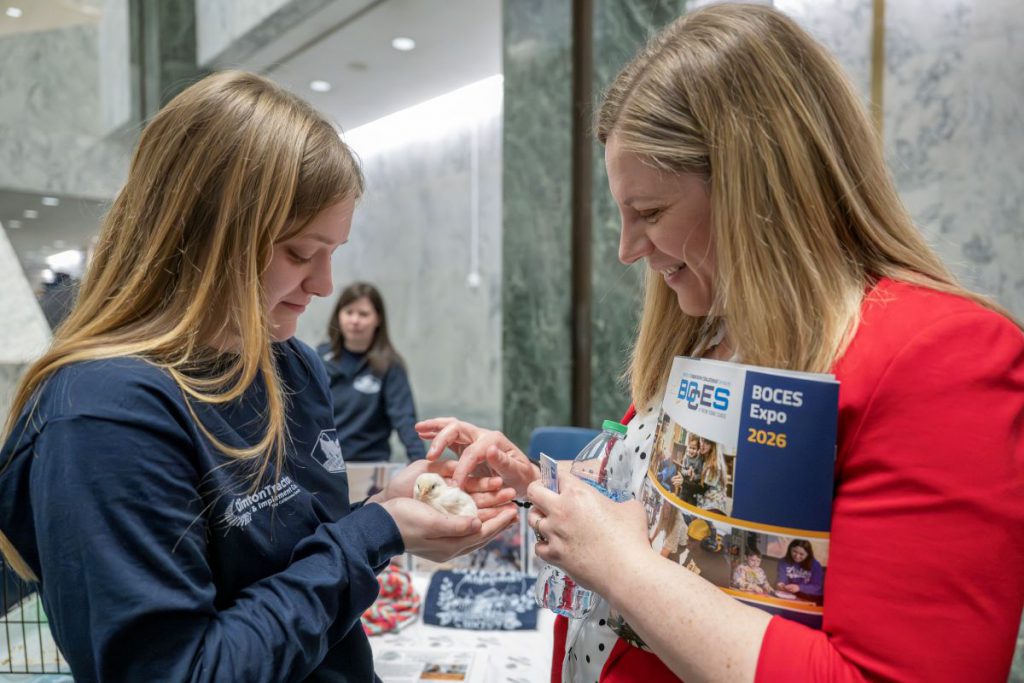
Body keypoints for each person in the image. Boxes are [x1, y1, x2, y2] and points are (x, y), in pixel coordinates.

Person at [415, 4, 1024, 682]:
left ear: (754, 188)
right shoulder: (714, 329)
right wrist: (546, 491)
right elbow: (682, 528)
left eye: (649, 212)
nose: (626, 249)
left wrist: (618, 565)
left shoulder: (941, 356)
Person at [0, 71, 517, 682]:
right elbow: (184, 670)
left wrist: (389, 506)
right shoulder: (104, 413)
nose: (324, 285)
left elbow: (288, 561)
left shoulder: (289, 363)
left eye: (333, 253)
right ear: (208, 237)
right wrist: (376, 531)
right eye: (300, 253)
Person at [318, 282, 427, 462]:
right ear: (338, 316)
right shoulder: (319, 358)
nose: (355, 320)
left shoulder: (390, 366)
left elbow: (405, 421)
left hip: (370, 468)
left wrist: (421, 465)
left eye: (363, 314)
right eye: (349, 312)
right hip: (325, 466)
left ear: (378, 319)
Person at [776, 539, 824, 605]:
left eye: (801, 554)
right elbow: (782, 578)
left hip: (813, 597)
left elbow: (817, 586)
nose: (797, 556)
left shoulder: (815, 565)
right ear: (790, 549)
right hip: (793, 596)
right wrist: (781, 584)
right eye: (794, 551)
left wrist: (799, 588)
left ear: (808, 555)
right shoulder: (783, 562)